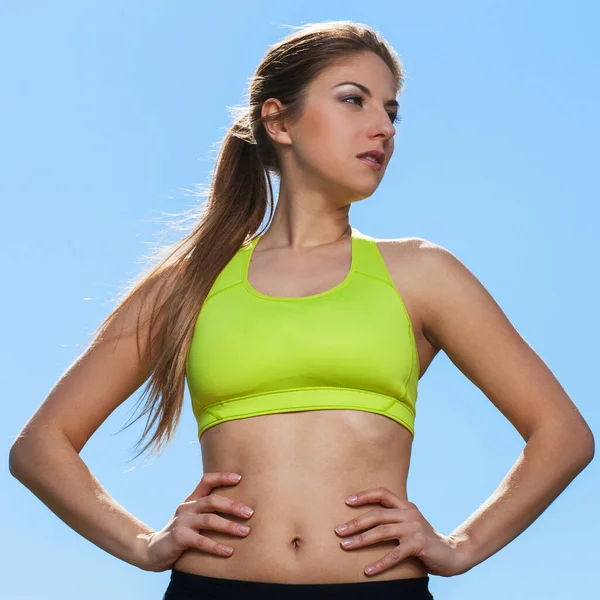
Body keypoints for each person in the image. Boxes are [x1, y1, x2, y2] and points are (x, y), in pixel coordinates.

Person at [9, 20, 594, 600]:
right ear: (278, 120)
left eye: (391, 112)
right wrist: (143, 545)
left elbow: (562, 434)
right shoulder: (188, 283)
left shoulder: (423, 274)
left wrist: (462, 546)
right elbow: (40, 447)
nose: (383, 128)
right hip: (212, 590)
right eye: (352, 100)